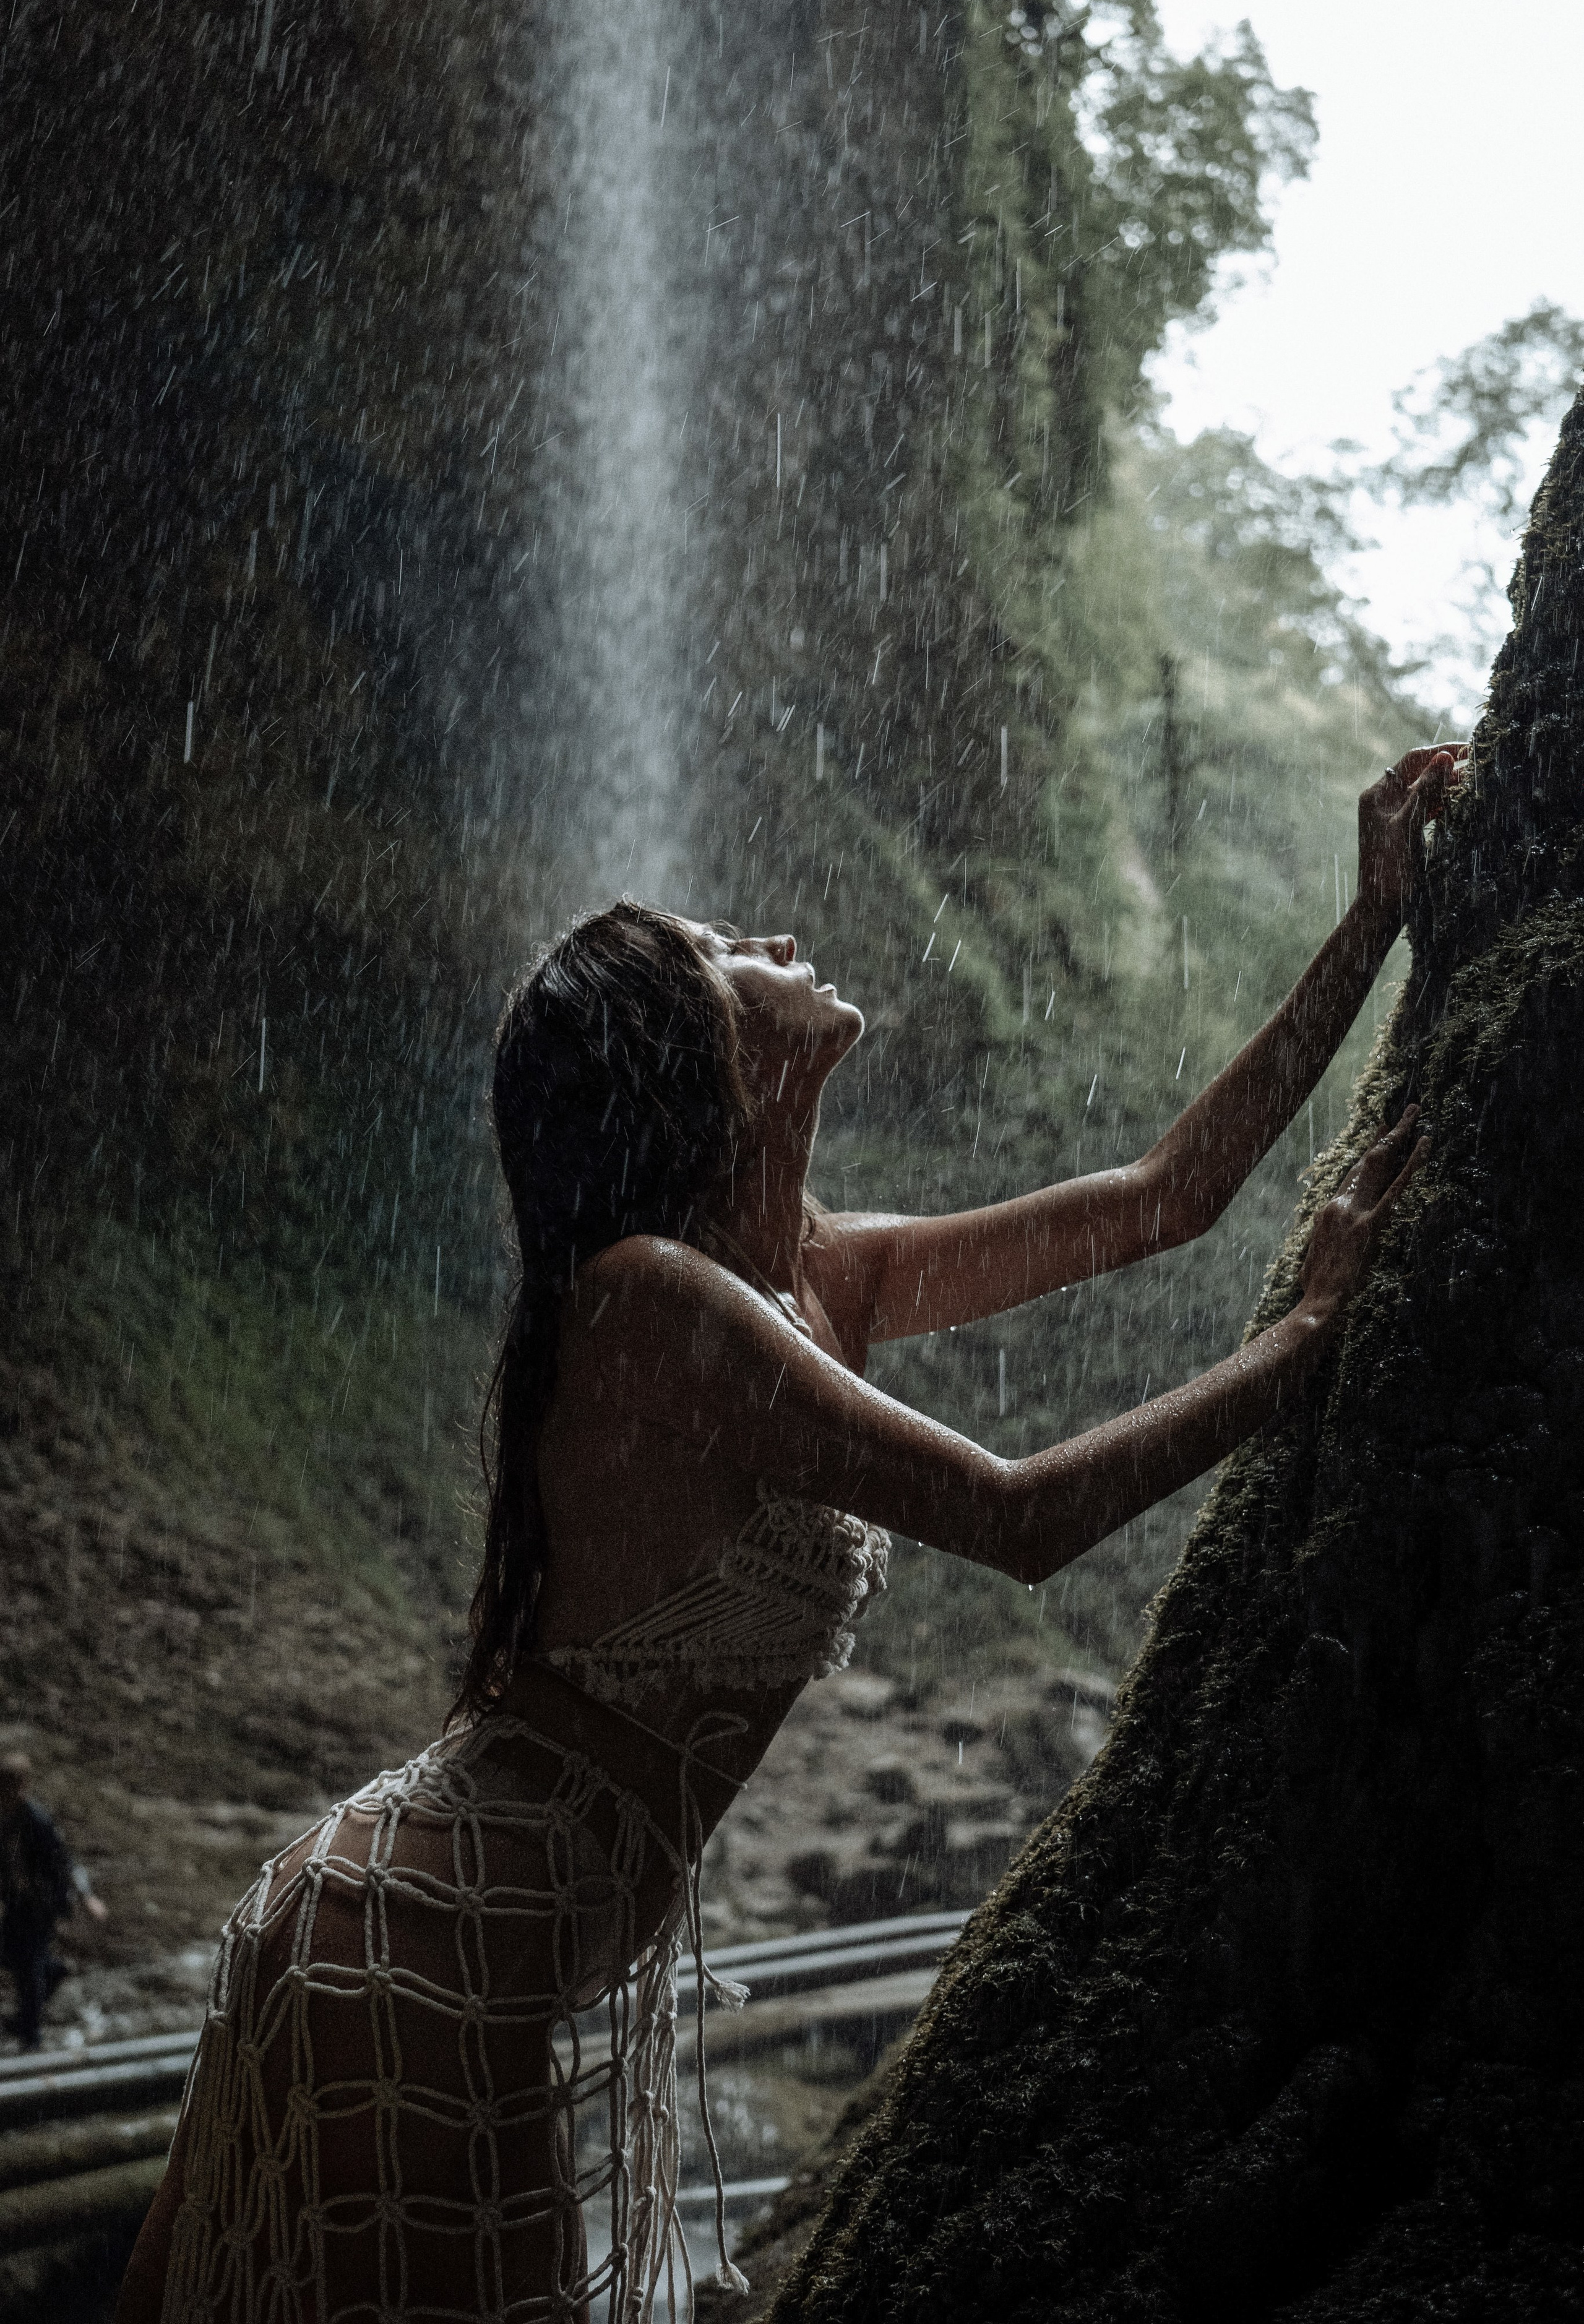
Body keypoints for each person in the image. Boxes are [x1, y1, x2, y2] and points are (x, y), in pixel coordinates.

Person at [118, 745, 1461, 2323]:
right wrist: (1302, 1338)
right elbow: (1019, 1518)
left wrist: (1371, 921)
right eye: (714, 949)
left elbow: (1167, 1197)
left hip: (466, 1942)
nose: (761, 935)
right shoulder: (649, 1301)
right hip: (413, 1930)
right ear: (683, 1051)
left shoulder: (815, 1277)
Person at [0, 1752, 108, 2051]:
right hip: (18, 1902)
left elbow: (64, 1863)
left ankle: (30, 2036)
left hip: (41, 1904)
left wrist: (86, 1898)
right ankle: (55, 1971)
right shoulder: (6, 1821)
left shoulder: (37, 1821)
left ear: (23, 1786)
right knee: (11, 1954)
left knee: (29, 1963)